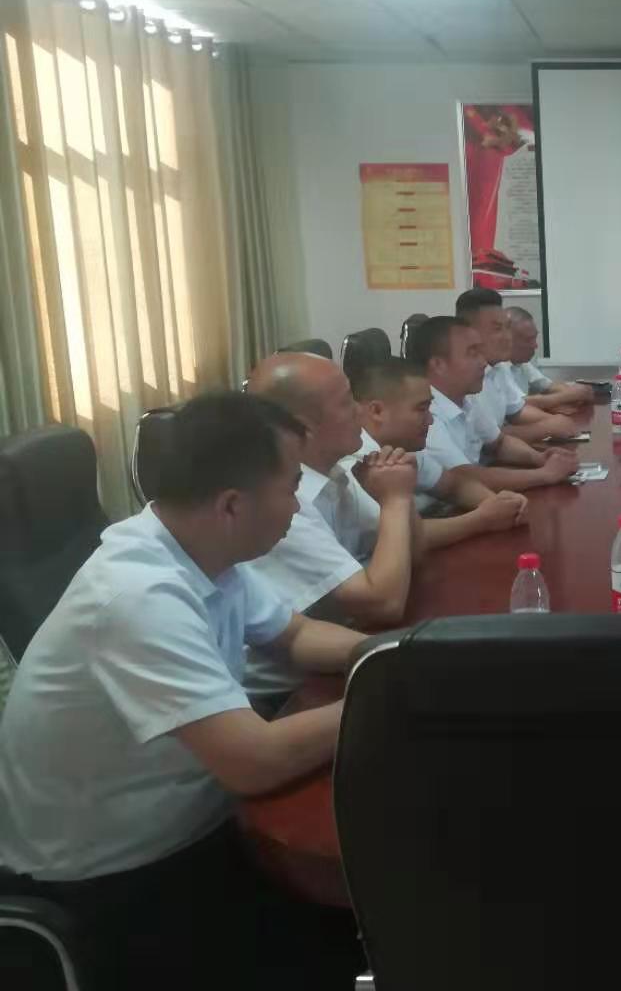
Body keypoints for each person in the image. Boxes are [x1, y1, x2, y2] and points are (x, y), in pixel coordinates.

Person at [0, 393, 367, 990]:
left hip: (203, 821)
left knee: (363, 915)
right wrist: (386, 692)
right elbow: (254, 760)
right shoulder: (136, 596)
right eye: (290, 487)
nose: (298, 505)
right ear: (231, 505)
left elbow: (295, 636)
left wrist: (399, 652)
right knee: (348, 946)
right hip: (116, 880)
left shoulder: (203, 549)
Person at [246, 352, 422, 633]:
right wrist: (395, 500)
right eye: (346, 403)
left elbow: (414, 553)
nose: (360, 411)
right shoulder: (281, 505)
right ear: (303, 427)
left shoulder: (338, 472)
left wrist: (400, 491)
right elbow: (384, 604)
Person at [348, 356, 529, 542]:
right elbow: (403, 537)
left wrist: (498, 503)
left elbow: (454, 486)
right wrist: (483, 519)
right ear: (377, 411)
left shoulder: (402, 446)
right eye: (421, 409)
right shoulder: (355, 463)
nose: (430, 420)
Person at [410, 315, 580, 491]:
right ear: (438, 365)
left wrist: (538, 458)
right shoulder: (426, 413)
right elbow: (463, 478)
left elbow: (499, 443)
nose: (483, 362)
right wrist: (544, 475)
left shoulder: (467, 399)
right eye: (472, 353)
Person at [456, 287, 579, 443]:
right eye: (497, 329)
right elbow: (489, 439)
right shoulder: (464, 378)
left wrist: (555, 421)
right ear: (469, 333)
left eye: (507, 327)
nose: (507, 337)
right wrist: (546, 427)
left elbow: (517, 410)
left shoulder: (498, 366)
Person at [505, 304, 595, 412]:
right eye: (528, 340)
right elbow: (519, 404)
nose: (535, 345)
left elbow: (548, 386)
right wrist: (570, 395)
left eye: (535, 337)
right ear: (507, 341)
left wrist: (576, 393)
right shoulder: (498, 368)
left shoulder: (522, 363)